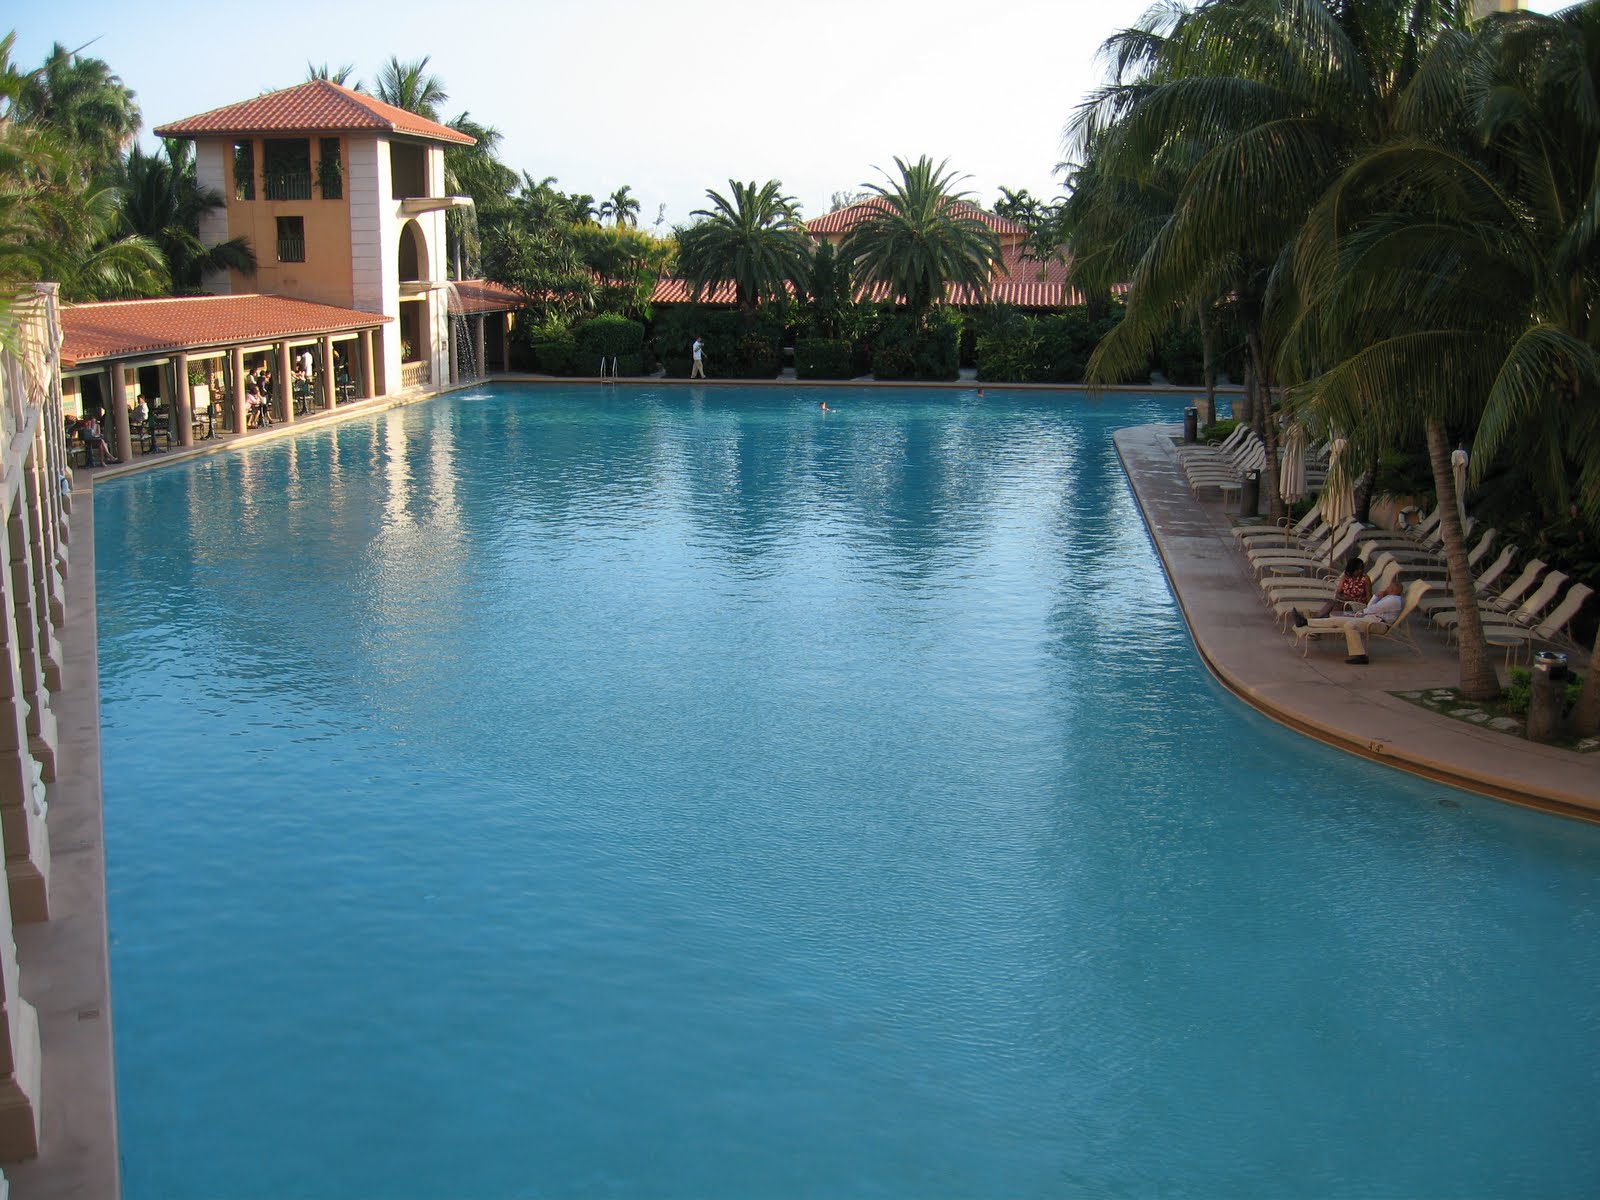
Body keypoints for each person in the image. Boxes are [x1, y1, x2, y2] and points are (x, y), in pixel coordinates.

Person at [1293, 578, 1405, 664]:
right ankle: (1306, 622)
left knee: (1350, 625)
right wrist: (1376, 596)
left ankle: (1360, 656)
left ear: (1393, 589)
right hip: (1371, 618)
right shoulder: (1388, 598)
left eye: (1389, 587)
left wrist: (1362, 612)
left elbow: (1373, 609)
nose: (1387, 588)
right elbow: (1371, 606)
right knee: (1337, 620)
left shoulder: (1394, 600)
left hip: (1379, 624)